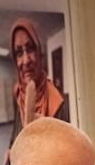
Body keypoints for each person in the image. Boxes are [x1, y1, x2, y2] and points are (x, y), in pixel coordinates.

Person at [8, 18, 71, 150]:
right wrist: (11, 148)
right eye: (19, 53)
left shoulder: (59, 102)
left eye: (30, 49)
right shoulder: (18, 93)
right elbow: (16, 131)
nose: (26, 61)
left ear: (39, 52)